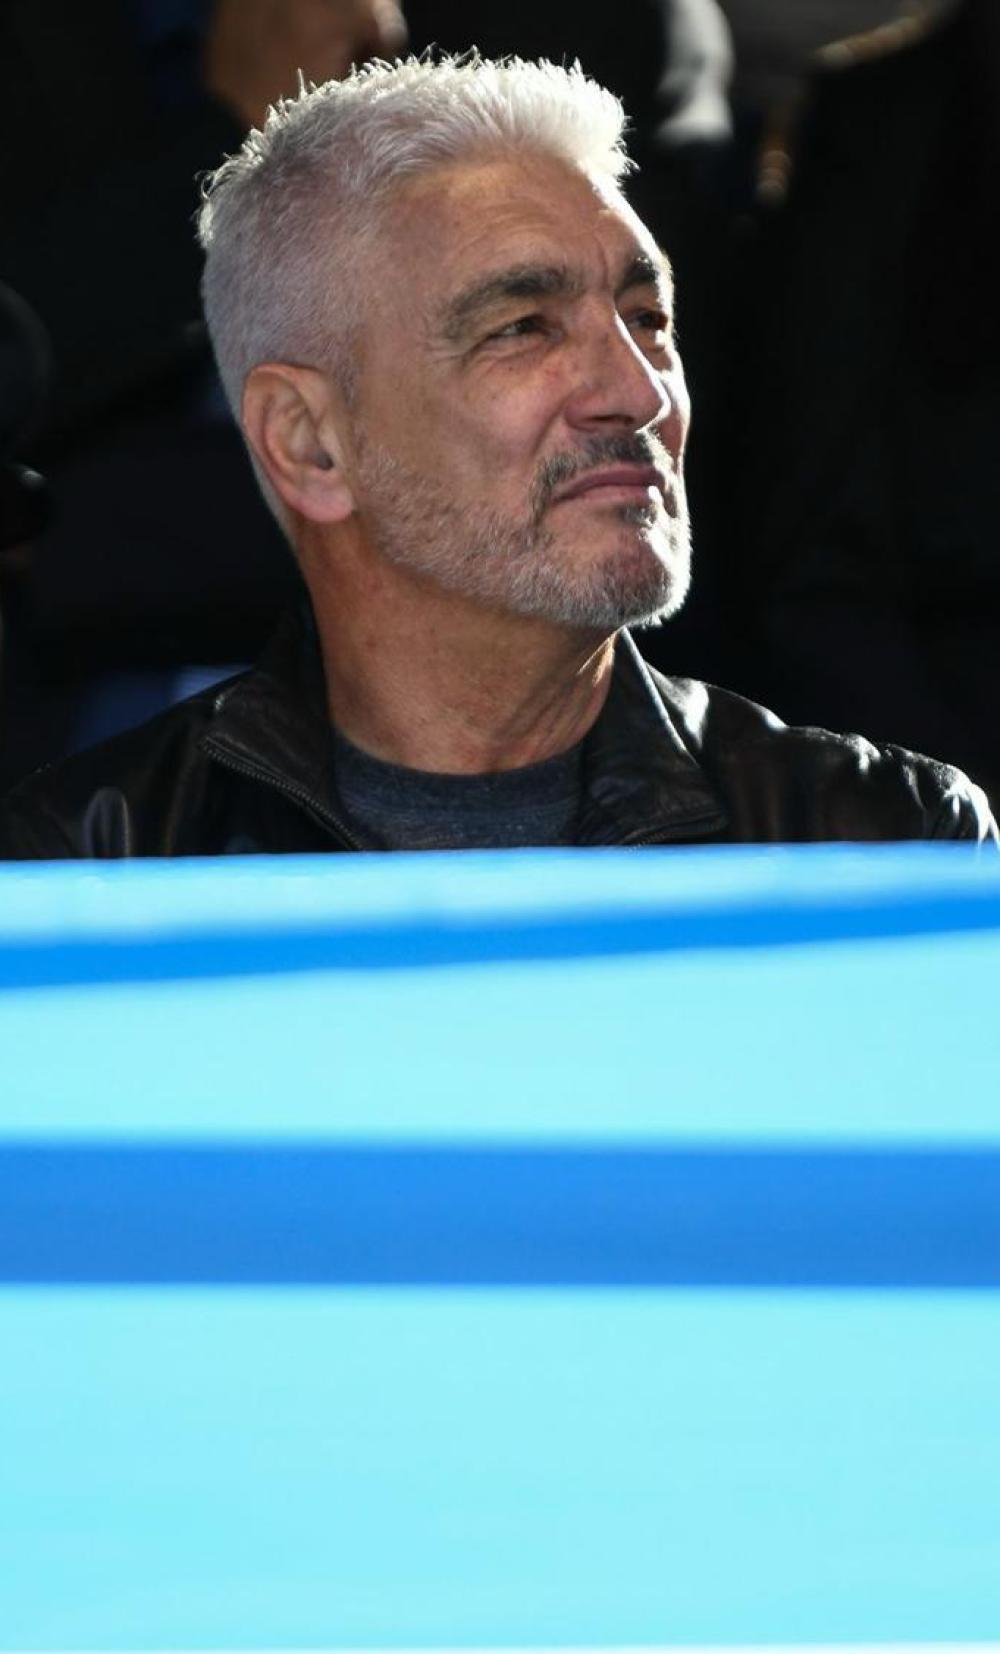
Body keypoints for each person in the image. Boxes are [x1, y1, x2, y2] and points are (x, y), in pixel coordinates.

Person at [0, 55, 993, 857]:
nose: (641, 392)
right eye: (523, 328)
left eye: (649, 320)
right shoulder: (87, 865)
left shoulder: (884, 837)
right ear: (309, 444)